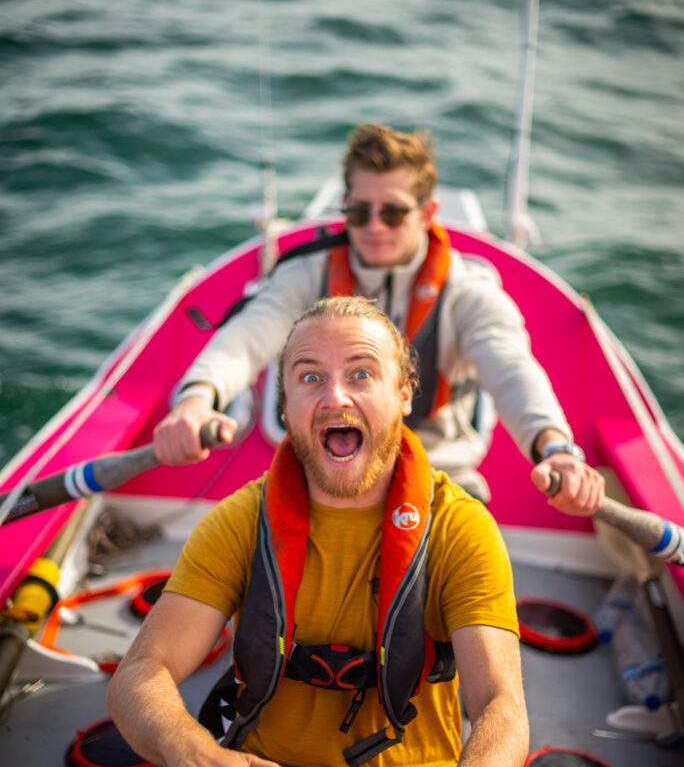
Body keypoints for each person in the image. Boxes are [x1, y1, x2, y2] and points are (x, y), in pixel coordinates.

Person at [108, 296, 529, 767]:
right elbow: (143, 671)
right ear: (285, 408)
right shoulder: (237, 521)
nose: (335, 397)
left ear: (405, 391)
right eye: (310, 377)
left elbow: (501, 704)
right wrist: (190, 750)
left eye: (361, 373)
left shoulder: (461, 529)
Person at [153, 123, 604, 513]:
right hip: (324, 472)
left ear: (427, 214)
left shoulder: (468, 294)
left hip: (439, 470)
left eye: (391, 213)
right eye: (359, 211)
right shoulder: (305, 276)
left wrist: (555, 447)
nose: (373, 227)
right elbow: (246, 339)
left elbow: (512, 370)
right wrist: (197, 398)